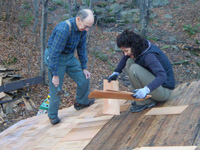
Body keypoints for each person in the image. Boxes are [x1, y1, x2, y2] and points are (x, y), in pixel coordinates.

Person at [44, 9, 95, 125]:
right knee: (56, 88)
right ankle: (52, 115)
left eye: (89, 27)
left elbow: (82, 49)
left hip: (69, 57)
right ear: (78, 19)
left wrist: (84, 67)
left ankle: (81, 102)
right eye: (86, 26)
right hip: (56, 58)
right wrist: (55, 74)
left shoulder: (82, 31)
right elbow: (54, 54)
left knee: (84, 78)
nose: (87, 30)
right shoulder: (64, 29)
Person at [108, 29, 175, 113]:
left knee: (134, 69)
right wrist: (116, 72)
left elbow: (162, 76)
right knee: (129, 62)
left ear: (134, 46)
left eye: (126, 51)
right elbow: (126, 58)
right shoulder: (140, 47)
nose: (125, 53)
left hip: (164, 92)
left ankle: (145, 102)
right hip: (157, 88)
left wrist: (146, 90)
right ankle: (142, 98)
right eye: (123, 51)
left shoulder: (149, 56)